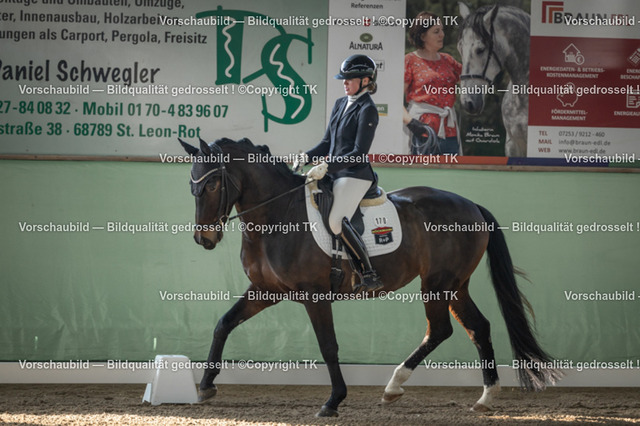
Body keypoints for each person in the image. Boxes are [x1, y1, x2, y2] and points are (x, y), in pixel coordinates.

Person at [293, 54, 383, 293]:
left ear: (365, 81)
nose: (345, 82)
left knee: (335, 222)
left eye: (350, 78)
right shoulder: (340, 103)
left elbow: (359, 153)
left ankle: (368, 272)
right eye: (343, 78)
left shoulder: (368, 110)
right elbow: (326, 144)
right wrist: (306, 157)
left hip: (354, 175)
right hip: (333, 172)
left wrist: (327, 167)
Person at [403, 12, 462, 155]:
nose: (442, 35)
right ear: (423, 36)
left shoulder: (448, 60)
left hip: (449, 132)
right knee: (422, 170)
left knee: (451, 169)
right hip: (422, 131)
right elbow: (393, 100)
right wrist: (411, 123)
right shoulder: (410, 60)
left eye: (442, 30)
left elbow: (472, 82)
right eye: (436, 31)